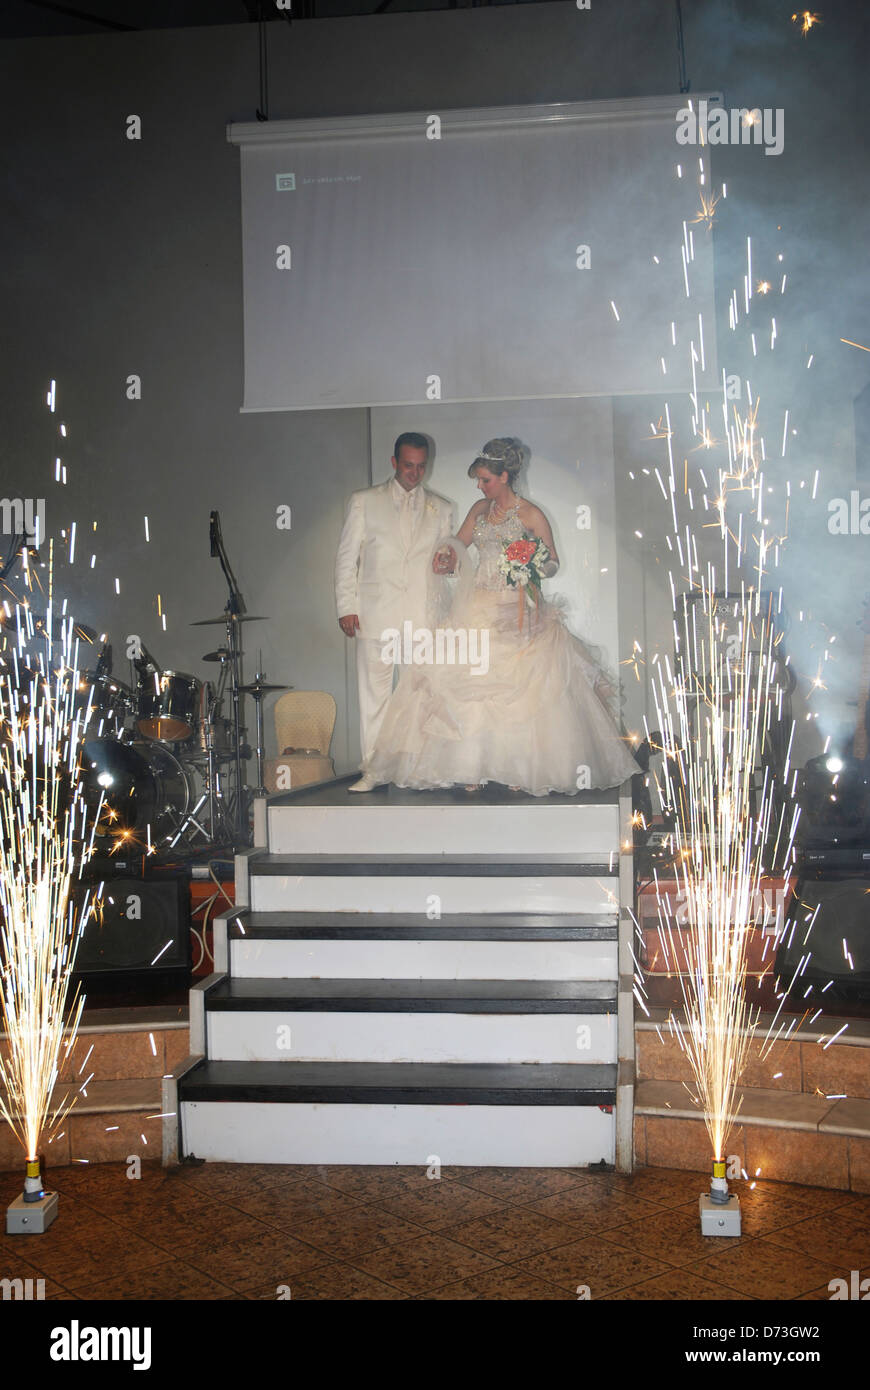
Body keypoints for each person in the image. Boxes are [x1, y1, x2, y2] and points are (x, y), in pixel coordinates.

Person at [358, 437, 640, 796]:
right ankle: (469, 766)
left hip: (515, 608)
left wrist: (533, 563)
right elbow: (457, 545)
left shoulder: (531, 515)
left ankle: (518, 767)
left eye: (485, 479)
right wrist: (447, 559)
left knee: (520, 690)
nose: (480, 485)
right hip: (476, 606)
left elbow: (553, 561)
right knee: (469, 688)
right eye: (478, 479)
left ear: (505, 476)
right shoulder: (479, 509)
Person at [335, 431, 456, 791]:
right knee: (374, 697)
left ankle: (414, 769)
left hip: (421, 615)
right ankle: (373, 769)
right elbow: (346, 559)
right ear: (394, 463)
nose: (415, 473)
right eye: (408, 465)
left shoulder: (442, 508)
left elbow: (448, 564)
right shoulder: (363, 501)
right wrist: (346, 605)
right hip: (375, 613)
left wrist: (449, 563)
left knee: (419, 696)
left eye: (421, 467)